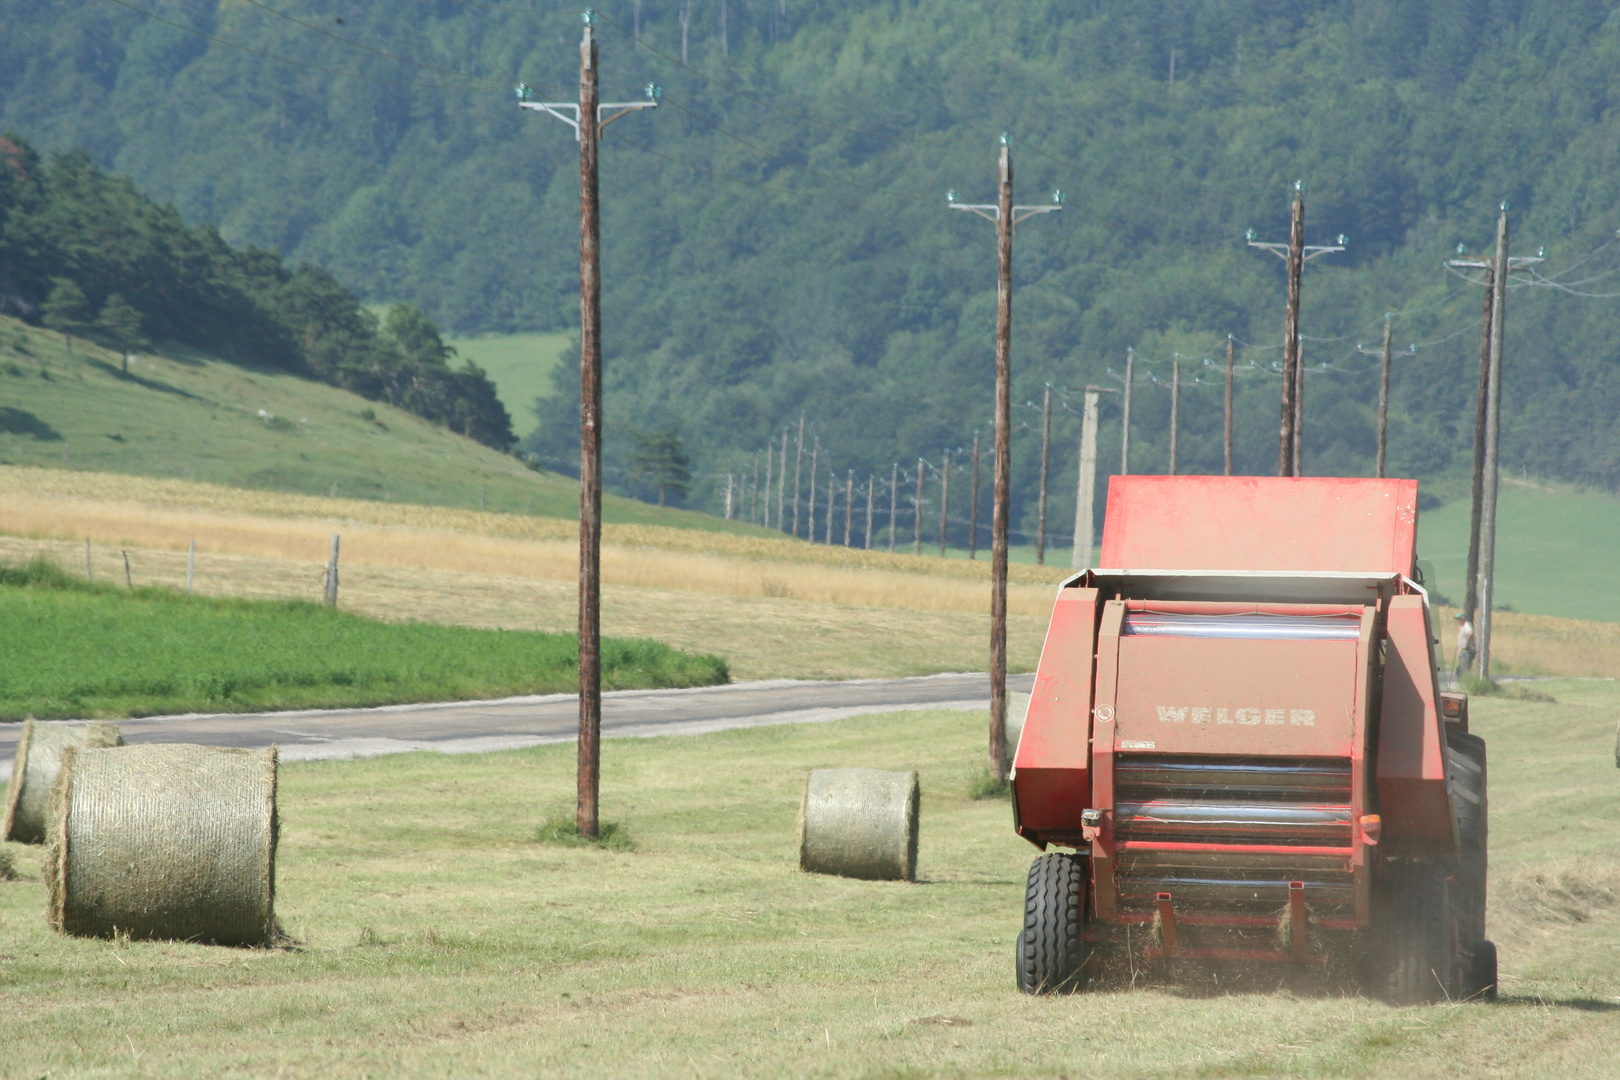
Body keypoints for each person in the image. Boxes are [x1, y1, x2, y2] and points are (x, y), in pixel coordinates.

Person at [1453, 612, 1474, 685]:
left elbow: (1470, 633)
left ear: (1463, 619)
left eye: (1459, 619)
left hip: (1466, 650)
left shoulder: (1466, 625)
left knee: (1463, 669)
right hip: (1461, 651)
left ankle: (1465, 683)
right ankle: (1463, 683)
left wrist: (1467, 644)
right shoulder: (1462, 627)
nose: (1458, 621)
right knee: (1460, 669)